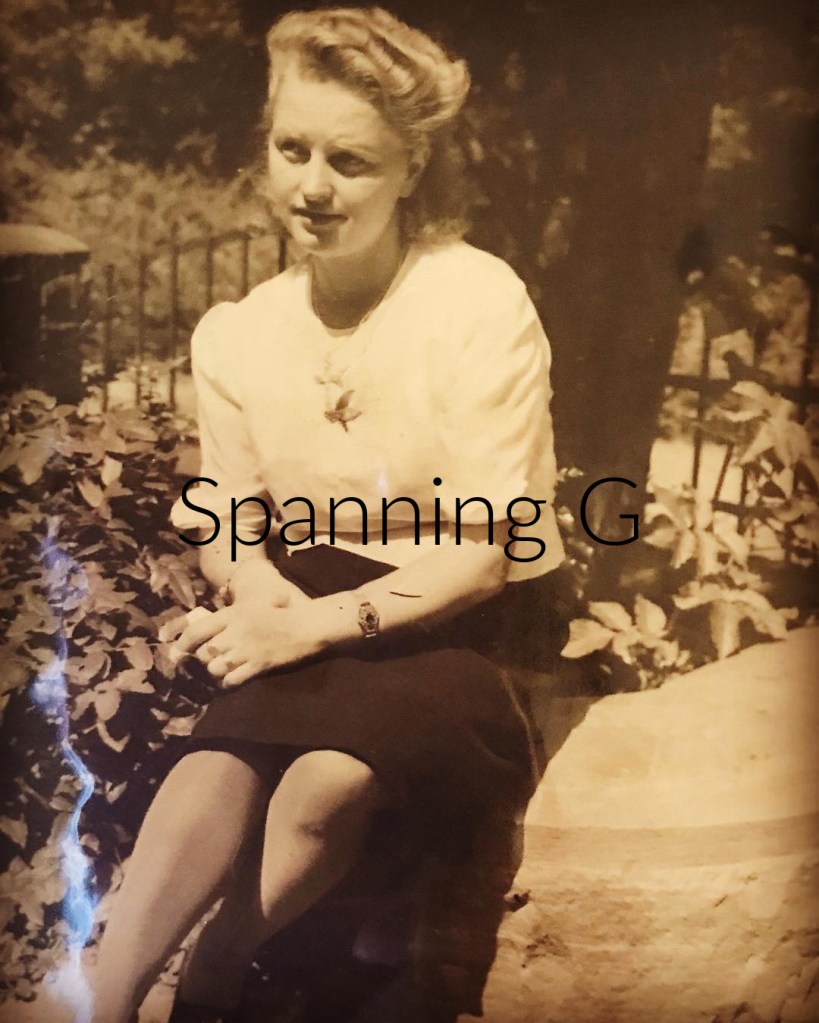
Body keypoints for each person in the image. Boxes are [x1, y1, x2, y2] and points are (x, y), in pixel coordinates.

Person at [90, 7, 567, 1021]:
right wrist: (256, 588)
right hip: (306, 605)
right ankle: (105, 1000)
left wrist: (303, 625)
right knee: (216, 760)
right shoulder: (239, 331)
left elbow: (484, 555)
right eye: (291, 149)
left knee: (323, 782)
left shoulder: (474, 303)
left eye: (350, 161)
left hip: (456, 624)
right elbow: (229, 515)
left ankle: (212, 970)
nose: (312, 187)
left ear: (411, 169)